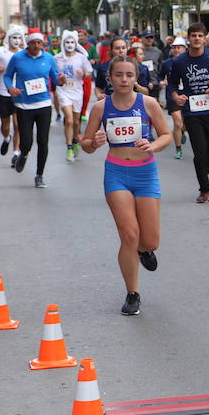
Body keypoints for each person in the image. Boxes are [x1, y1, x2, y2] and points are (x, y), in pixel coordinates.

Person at [81, 55, 171, 316]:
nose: (124, 80)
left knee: (150, 240)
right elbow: (85, 145)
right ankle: (133, 293)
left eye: (129, 75)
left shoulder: (149, 103)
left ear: (136, 78)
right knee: (129, 235)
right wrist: (94, 143)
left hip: (145, 173)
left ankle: (145, 250)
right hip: (117, 174)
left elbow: (166, 135)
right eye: (118, 75)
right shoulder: (101, 107)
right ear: (110, 78)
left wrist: (152, 145)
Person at [168, 22, 209, 204]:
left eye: (200, 36)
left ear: (204, 38)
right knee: (199, 152)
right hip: (192, 112)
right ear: (189, 39)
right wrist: (176, 97)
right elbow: (171, 85)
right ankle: (204, 190)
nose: (196, 39)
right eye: (193, 36)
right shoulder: (179, 62)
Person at [3, 31, 64, 188]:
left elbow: (55, 77)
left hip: (43, 104)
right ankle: (23, 154)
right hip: (24, 105)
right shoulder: (17, 58)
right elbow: (7, 75)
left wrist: (60, 80)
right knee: (27, 142)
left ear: (43, 44)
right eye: (33, 43)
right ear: (28, 44)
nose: (37, 46)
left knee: (43, 141)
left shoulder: (49, 58)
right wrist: (10, 88)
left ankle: (39, 175)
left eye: (39, 43)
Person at [0, 25, 25, 164]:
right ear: (8, 38)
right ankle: (6, 138)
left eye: (19, 37)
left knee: (17, 124)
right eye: (14, 37)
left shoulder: (24, 53)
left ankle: (16, 153)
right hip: (3, 92)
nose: (17, 40)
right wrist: (5, 69)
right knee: (6, 125)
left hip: (19, 93)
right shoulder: (0, 52)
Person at [54, 30, 94, 163]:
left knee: (76, 122)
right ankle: (69, 147)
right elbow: (53, 74)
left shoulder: (81, 57)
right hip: (63, 91)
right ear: (63, 43)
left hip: (77, 91)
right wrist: (59, 78)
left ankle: (75, 139)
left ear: (75, 43)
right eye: (67, 42)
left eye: (72, 42)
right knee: (69, 120)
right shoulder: (57, 58)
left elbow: (89, 73)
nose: (70, 44)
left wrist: (83, 74)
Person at [159, 37, 187, 159]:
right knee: (177, 121)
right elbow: (160, 77)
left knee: (184, 123)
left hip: (187, 94)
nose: (176, 50)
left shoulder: (190, 61)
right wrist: (162, 82)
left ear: (184, 49)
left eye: (179, 47)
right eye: (174, 47)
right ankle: (178, 148)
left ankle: (183, 131)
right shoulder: (167, 63)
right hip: (173, 95)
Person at [140, 32, 164, 102]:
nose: (149, 39)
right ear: (142, 39)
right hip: (142, 82)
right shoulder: (138, 51)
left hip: (154, 82)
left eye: (151, 37)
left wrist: (160, 80)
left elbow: (161, 67)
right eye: (147, 38)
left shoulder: (158, 52)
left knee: (154, 104)